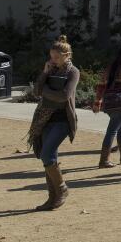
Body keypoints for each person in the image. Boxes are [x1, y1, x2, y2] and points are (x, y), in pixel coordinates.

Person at [26, 35, 80, 211]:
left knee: (47, 155)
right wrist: (44, 72)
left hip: (63, 121)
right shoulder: (51, 70)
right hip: (45, 119)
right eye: (51, 57)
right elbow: (36, 91)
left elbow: (64, 96)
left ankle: (62, 189)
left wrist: (44, 90)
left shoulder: (73, 72)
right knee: (49, 157)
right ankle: (53, 198)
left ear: (67, 55)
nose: (53, 60)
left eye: (56, 57)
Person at [94, 46, 121, 168]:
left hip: (109, 103)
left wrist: (97, 102)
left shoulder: (109, 68)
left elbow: (101, 86)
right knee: (112, 130)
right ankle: (104, 160)